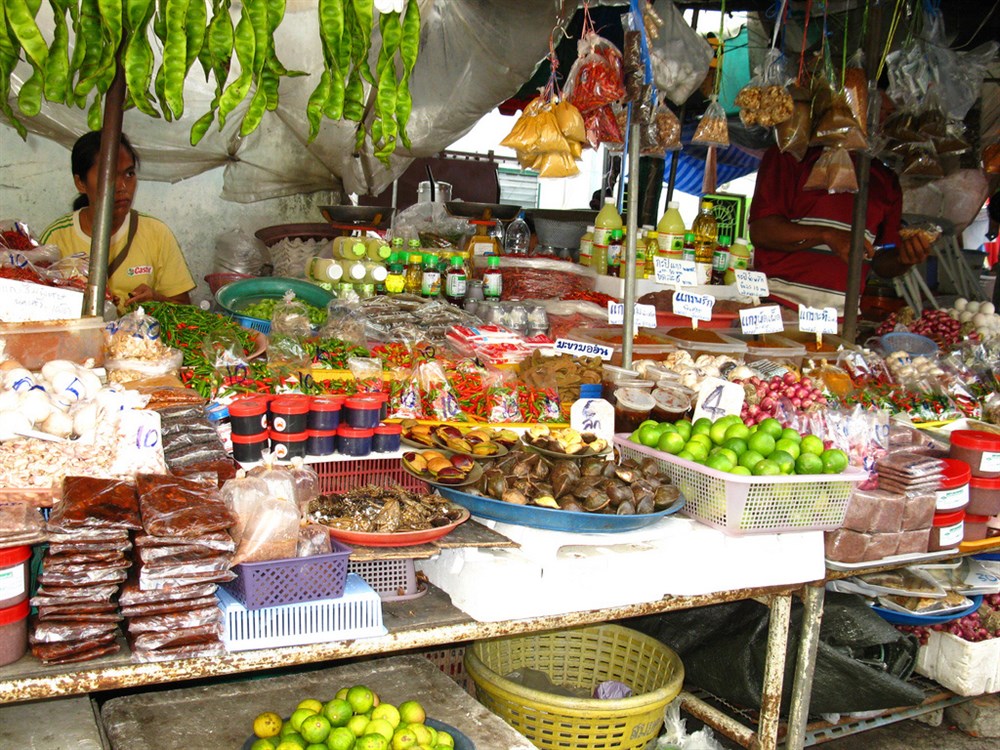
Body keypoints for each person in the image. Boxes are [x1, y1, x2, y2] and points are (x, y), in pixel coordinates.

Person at [748, 146, 933, 314]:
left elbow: (881, 259)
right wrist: (826, 235)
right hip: (778, 305)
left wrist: (904, 258)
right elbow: (762, 231)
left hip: (840, 317)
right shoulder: (792, 154)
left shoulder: (885, 179)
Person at [40, 131, 195, 308]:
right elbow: (36, 307)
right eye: (108, 176)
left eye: (129, 174)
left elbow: (184, 308)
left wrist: (156, 300)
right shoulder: (57, 237)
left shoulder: (156, 233)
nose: (122, 187)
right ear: (80, 183)